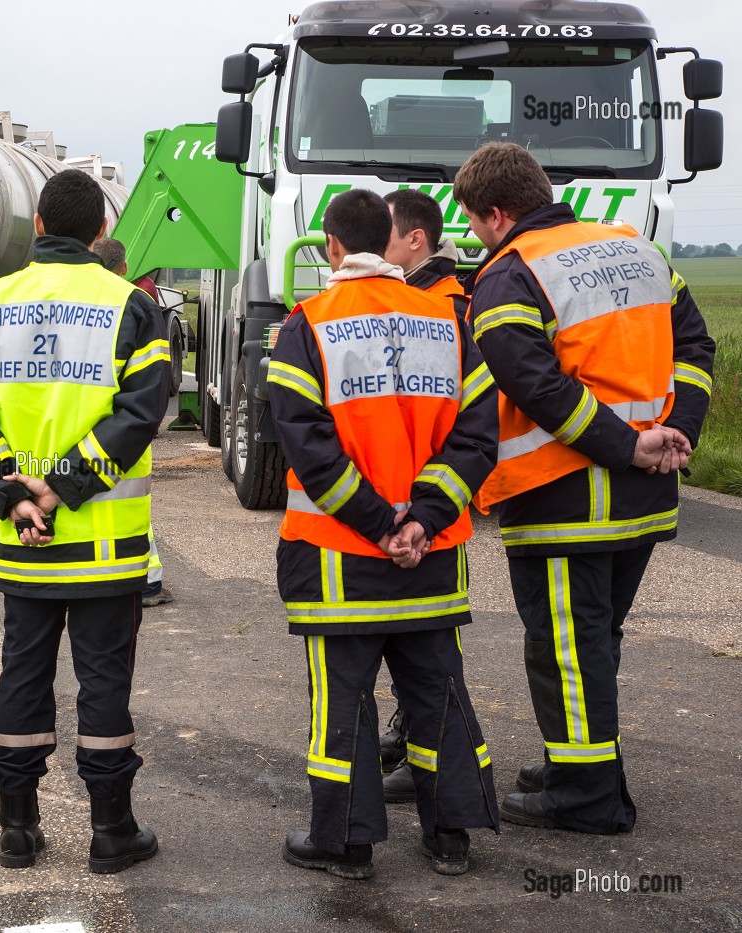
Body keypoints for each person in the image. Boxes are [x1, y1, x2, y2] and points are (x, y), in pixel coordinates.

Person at [453, 143, 714, 834]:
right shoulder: (636, 248)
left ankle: (589, 796)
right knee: (594, 638)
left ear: (499, 213)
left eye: (477, 224)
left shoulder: (511, 274)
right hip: (648, 492)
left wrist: (625, 444)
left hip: (566, 495)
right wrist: (676, 431)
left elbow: (533, 383)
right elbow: (696, 347)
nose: (477, 238)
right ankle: (578, 764)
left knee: (565, 644)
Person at [0, 169, 170, 873]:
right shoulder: (130, 303)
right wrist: (64, 488)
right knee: (104, 683)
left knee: (23, 672)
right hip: (102, 546)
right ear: (101, 231)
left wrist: (12, 498)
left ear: (38, 225)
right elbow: (141, 412)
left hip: (23, 544)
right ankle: (111, 831)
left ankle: (17, 829)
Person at [268, 188, 500, 879]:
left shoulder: (305, 326)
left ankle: (346, 843)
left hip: (343, 557)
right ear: (394, 238)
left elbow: (308, 447)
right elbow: (477, 437)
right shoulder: (451, 321)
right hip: (431, 556)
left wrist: (381, 522)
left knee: (344, 702)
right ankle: (451, 835)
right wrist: (422, 518)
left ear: (332, 246)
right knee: (439, 691)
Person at [378, 188, 469, 801]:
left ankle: (426, 757)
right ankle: (411, 735)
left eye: (386, 232)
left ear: (417, 240)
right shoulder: (425, 298)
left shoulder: (443, 306)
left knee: (433, 650)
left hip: (431, 499)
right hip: (426, 499)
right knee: (421, 642)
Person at [93, 236, 173, 608]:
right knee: (132, 513)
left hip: (79, 438)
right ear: (123, 268)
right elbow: (154, 389)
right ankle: (149, 582)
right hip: (128, 441)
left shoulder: (79, 308)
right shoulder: (137, 307)